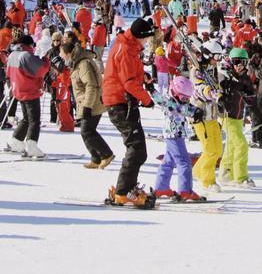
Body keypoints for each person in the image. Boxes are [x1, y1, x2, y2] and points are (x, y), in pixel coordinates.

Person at [102, 17, 156, 207]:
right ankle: (123, 191)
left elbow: (130, 73)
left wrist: (144, 76)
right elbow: (128, 82)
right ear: (139, 36)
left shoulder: (128, 45)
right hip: (119, 102)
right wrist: (147, 99)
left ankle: (126, 187)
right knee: (137, 148)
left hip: (122, 100)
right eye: (147, 38)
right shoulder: (126, 50)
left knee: (137, 148)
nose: (148, 42)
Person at [60, 37, 114, 169]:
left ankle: (106, 154)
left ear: (69, 53)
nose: (61, 57)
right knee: (86, 131)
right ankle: (95, 158)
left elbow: (91, 85)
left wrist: (87, 106)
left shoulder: (83, 64)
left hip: (92, 102)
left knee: (87, 131)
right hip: (85, 102)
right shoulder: (77, 63)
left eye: (62, 54)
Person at [152, 76, 203, 202]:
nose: (185, 100)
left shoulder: (178, 102)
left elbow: (186, 107)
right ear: (174, 92)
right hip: (174, 136)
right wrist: (150, 88)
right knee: (184, 162)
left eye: (187, 98)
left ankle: (161, 187)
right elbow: (183, 108)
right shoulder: (171, 104)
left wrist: (196, 111)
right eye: (183, 98)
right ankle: (185, 191)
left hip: (172, 136)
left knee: (168, 162)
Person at [5, 34, 51, 159]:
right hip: (29, 90)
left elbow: (8, 73)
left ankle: (16, 142)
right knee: (34, 120)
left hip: (18, 89)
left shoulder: (12, 55)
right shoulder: (25, 55)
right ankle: (32, 146)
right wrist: (46, 59)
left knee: (26, 118)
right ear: (29, 45)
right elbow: (41, 69)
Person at [219, 47, 255, 187]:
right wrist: (222, 100)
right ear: (230, 62)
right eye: (236, 62)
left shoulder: (245, 78)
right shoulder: (225, 75)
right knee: (241, 145)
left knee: (232, 145)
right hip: (228, 116)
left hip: (239, 116)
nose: (240, 66)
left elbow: (250, 98)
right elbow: (220, 90)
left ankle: (225, 172)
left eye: (243, 63)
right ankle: (241, 177)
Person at [191, 40, 224, 192]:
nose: (217, 60)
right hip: (200, 114)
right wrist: (210, 93)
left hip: (212, 113)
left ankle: (197, 171)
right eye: (216, 57)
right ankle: (207, 180)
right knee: (210, 149)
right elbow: (199, 87)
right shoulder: (196, 69)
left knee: (217, 149)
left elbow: (217, 84)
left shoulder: (212, 68)